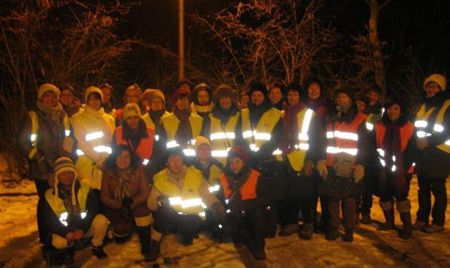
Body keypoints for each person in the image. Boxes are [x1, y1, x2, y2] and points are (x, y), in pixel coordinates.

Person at [18, 83, 73, 244]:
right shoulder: (33, 116)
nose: (51, 99)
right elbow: (23, 142)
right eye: (47, 95)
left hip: (60, 166)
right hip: (42, 168)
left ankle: (59, 233)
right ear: (41, 98)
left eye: (54, 96)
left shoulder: (62, 115)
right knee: (45, 201)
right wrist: (39, 158)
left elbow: (69, 136)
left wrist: (69, 149)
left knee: (60, 200)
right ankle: (45, 235)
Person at [147, 148, 225, 260]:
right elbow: (151, 204)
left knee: (187, 237)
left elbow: (207, 195)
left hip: (191, 216)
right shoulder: (160, 178)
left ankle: (184, 231)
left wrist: (215, 205)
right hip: (171, 216)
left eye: (179, 159)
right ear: (167, 162)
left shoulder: (195, 175)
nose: (176, 163)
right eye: (172, 160)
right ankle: (155, 242)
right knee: (163, 211)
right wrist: (159, 201)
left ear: (183, 160)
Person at [316, 87, 368, 242]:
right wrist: (321, 159)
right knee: (332, 197)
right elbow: (322, 141)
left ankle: (349, 228)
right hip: (332, 163)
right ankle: (333, 227)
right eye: (338, 97)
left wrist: (361, 164)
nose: (341, 100)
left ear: (351, 100)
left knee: (349, 199)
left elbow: (365, 145)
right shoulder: (329, 118)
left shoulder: (360, 119)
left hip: (351, 165)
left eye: (344, 97)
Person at [43, 156, 108, 265]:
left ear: (75, 173)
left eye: (70, 173)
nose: (67, 177)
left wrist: (82, 229)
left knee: (101, 220)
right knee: (58, 242)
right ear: (57, 176)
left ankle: (96, 245)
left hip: (83, 229)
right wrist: (66, 233)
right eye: (63, 174)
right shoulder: (50, 195)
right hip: (66, 233)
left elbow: (93, 210)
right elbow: (50, 221)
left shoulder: (85, 189)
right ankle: (68, 250)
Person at [240, 81, 283, 238]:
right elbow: (240, 135)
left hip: (267, 162)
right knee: (251, 196)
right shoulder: (244, 113)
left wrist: (262, 153)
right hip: (249, 161)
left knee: (268, 197)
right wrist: (247, 155)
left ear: (265, 97)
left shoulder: (275, 113)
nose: (257, 98)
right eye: (254, 95)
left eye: (260, 95)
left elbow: (277, 138)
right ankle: (253, 226)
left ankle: (270, 227)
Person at [278, 84, 319, 239]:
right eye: (289, 95)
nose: (292, 98)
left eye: (295, 94)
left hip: (304, 159)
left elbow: (316, 140)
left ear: (300, 96)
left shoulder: (309, 114)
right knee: (290, 193)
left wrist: (310, 160)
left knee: (305, 195)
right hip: (288, 158)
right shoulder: (283, 114)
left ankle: (308, 223)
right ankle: (292, 222)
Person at [372, 99, 416, 239]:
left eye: (396, 108)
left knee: (401, 195)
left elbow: (412, 148)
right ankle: (389, 222)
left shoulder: (409, 126)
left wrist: (405, 167)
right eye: (390, 108)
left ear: (401, 110)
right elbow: (374, 145)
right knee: (385, 195)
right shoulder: (379, 125)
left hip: (402, 169)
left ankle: (407, 225)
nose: (392, 111)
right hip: (383, 167)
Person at [101, 146, 153, 259]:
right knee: (121, 234)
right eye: (119, 156)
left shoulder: (138, 169)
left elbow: (145, 192)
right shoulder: (108, 172)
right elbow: (104, 197)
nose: (122, 160)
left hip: (134, 202)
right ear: (114, 158)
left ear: (131, 158)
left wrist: (132, 203)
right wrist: (120, 205)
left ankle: (146, 243)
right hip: (117, 205)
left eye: (126, 157)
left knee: (143, 214)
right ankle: (128, 226)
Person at [413, 73, 450, 233]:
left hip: (439, 152)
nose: (431, 89)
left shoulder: (447, 105)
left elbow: (447, 130)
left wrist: (429, 141)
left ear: (441, 88)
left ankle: (438, 222)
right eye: (429, 86)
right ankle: (422, 219)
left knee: (437, 188)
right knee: (423, 188)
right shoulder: (423, 104)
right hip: (423, 152)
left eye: (435, 86)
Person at [219, 145, 268, 260]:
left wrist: (246, 205)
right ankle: (240, 237)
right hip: (233, 212)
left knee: (258, 215)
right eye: (231, 162)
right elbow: (220, 198)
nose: (234, 165)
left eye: (237, 161)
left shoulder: (255, 176)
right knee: (230, 230)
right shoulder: (223, 178)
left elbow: (265, 198)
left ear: (244, 162)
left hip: (251, 211)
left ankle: (259, 247)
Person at [71, 86, 115, 195]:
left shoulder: (109, 118)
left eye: (97, 99)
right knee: (88, 197)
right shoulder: (78, 118)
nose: (95, 102)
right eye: (91, 99)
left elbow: (112, 141)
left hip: (107, 164)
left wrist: (108, 160)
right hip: (87, 164)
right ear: (86, 101)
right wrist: (98, 159)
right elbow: (82, 142)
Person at [304, 79, 330, 232]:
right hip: (307, 154)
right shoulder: (303, 107)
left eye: (316, 87)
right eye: (310, 88)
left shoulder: (327, 108)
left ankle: (327, 222)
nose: (313, 91)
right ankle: (310, 221)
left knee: (325, 191)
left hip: (324, 154)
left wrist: (323, 156)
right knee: (310, 191)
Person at [113, 103, 155, 180]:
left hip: (146, 174)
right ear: (125, 119)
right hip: (123, 175)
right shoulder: (117, 132)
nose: (133, 121)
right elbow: (114, 153)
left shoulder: (151, 133)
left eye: (136, 117)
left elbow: (155, 156)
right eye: (129, 118)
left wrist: (147, 169)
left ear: (140, 118)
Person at [202, 84, 243, 165]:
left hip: (234, 164)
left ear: (232, 99)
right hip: (214, 164)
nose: (225, 101)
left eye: (227, 97)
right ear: (218, 100)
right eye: (221, 98)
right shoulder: (209, 118)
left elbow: (241, 141)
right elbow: (205, 141)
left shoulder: (239, 116)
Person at [160, 87, 203, 160]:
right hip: (173, 159)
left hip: (194, 159)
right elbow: (161, 144)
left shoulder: (198, 120)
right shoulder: (165, 120)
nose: (183, 102)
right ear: (176, 102)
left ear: (189, 102)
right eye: (180, 99)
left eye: (185, 99)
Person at [141, 89, 171, 180]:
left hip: (167, 156)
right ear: (150, 103)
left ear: (163, 104)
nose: (157, 104)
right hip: (149, 158)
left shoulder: (170, 118)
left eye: (159, 102)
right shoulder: (143, 120)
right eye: (154, 102)